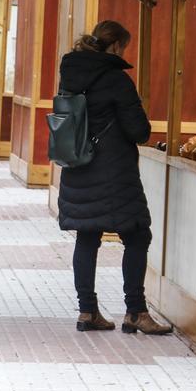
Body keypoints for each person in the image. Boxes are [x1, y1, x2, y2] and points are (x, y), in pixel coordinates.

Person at [57, 21, 171, 335]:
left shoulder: (70, 76)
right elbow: (139, 131)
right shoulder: (115, 80)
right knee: (137, 235)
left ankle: (87, 311)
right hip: (114, 171)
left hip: (77, 166)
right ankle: (135, 311)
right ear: (117, 46)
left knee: (86, 236)